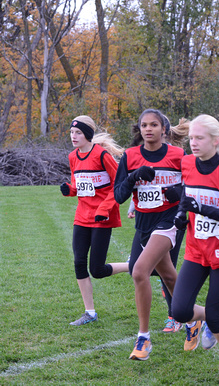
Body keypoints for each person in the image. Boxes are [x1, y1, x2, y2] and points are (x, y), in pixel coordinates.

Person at [171, 114, 219, 385]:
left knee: (214, 317)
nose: (193, 143)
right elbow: (187, 196)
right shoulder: (187, 162)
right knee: (179, 311)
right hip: (195, 249)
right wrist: (182, 214)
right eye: (191, 137)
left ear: (215, 141)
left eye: (199, 138)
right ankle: (214, 316)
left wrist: (203, 210)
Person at [114, 108, 185, 360]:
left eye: (153, 125)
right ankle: (192, 317)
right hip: (144, 223)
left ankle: (143, 338)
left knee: (139, 270)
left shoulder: (178, 154)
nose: (148, 129)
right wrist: (133, 176)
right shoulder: (130, 156)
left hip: (171, 219)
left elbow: (192, 185)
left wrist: (178, 191)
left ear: (163, 129)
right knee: (169, 276)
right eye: (144, 125)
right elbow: (119, 195)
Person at [60, 116, 128, 326]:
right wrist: (69, 190)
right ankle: (89, 312)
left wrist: (105, 208)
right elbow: (79, 185)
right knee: (79, 263)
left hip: (102, 217)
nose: (74, 136)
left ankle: (131, 265)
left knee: (97, 270)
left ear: (87, 135)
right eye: (72, 133)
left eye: (78, 133)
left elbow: (119, 185)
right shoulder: (73, 156)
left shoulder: (102, 155)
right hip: (82, 216)